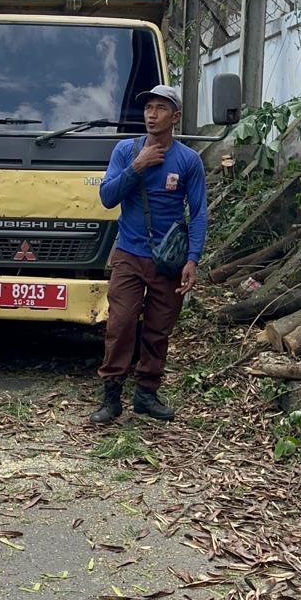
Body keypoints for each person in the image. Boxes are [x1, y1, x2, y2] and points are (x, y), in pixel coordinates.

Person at [90, 84, 207, 425]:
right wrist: (137, 166)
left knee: (158, 329)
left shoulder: (188, 160)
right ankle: (111, 396)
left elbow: (198, 212)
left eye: (160, 108)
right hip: (128, 253)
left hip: (169, 259)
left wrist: (193, 259)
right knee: (121, 323)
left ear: (176, 116)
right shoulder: (126, 151)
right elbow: (108, 197)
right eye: (148, 108)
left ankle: (146, 395)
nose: (152, 114)